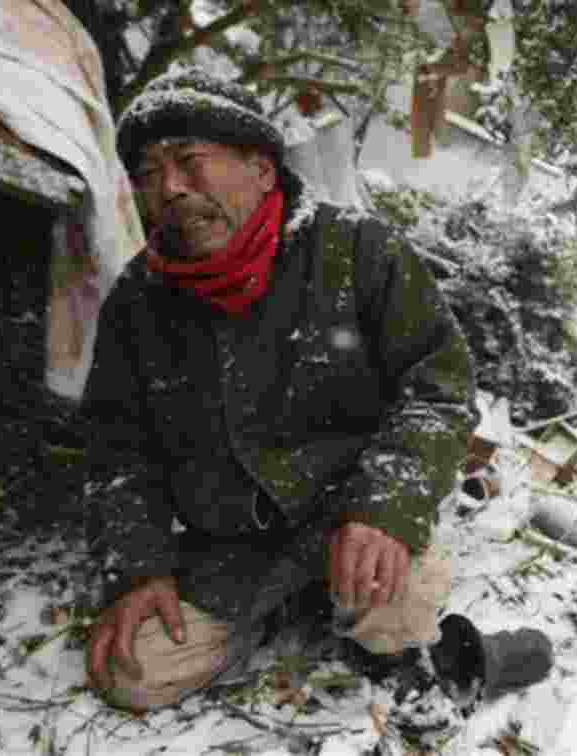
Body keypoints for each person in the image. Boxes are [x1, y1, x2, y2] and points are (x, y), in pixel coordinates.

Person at [81, 68, 552, 712]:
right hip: (226, 550)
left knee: (400, 605)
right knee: (132, 674)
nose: (169, 188)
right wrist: (139, 568)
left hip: (348, 517)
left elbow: (439, 387)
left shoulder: (359, 251)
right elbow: (116, 446)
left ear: (262, 169)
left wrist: (384, 510)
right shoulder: (136, 302)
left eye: (190, 161)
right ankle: (287, 612)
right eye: (150, 172)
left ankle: (432, 645)